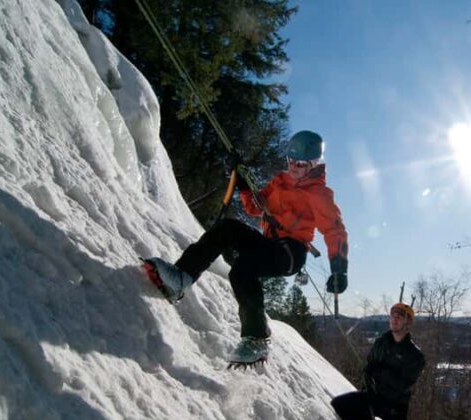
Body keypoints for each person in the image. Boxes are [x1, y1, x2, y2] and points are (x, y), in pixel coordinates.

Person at [142, 130, 348, 366]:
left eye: (299, 164)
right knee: (227, 228)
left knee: (243, 269)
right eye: (290, 162)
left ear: (313, 165)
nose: (293, 168)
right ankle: (181, 277)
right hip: (269, 243)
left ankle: (256, 339)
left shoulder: (320, 194)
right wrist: (242, 185)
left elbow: (335, 231)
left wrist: (339, 269)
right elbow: (254, 208)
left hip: (291, 252)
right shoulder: (280, 181)